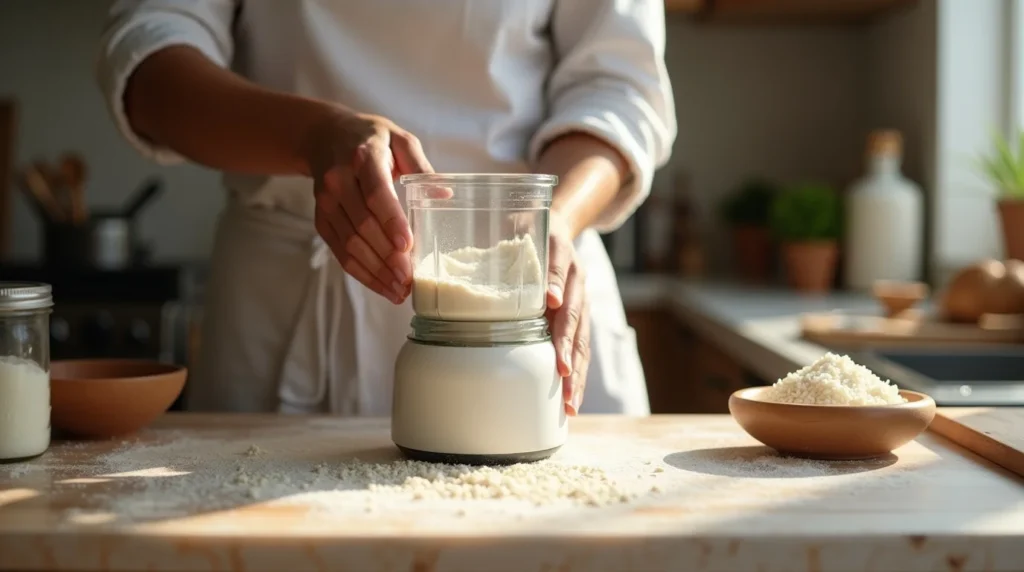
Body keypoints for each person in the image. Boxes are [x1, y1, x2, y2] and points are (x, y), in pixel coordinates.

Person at [96, 0, 676, 417]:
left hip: (531, 288)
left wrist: (557, 217)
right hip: (286, 304)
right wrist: (312, 137)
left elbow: (618, 88)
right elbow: (149, 58)